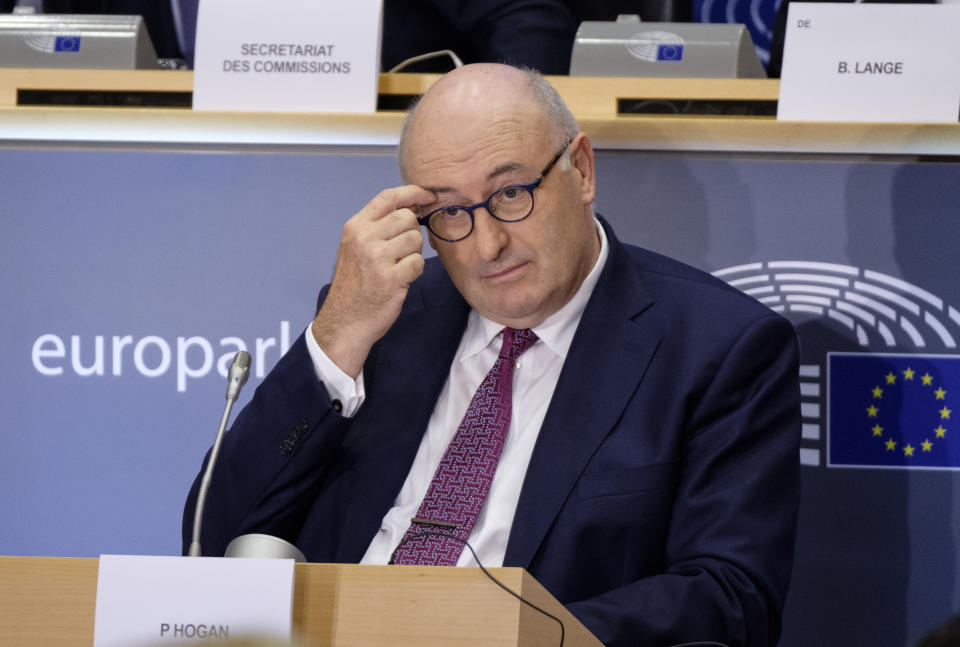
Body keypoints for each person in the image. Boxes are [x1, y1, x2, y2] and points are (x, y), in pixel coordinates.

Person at [183, 63, 801, 646]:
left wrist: (502, 632)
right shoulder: (383, 316)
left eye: (510, 193)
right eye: (449, 210)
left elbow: (732, 597)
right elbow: (213, 537)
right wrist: (338, 337)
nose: (486, 244)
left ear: (581, 170)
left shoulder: (720, 347)